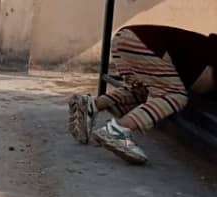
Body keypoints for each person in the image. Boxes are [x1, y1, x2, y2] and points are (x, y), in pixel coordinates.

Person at [68, 25, 217, 164]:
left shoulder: (205, 48)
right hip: (146, 45)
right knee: (175, 95)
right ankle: (118, 130)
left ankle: (92, 104)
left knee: (141, 91)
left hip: (124, 39)